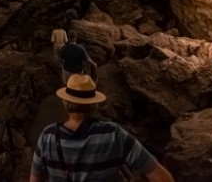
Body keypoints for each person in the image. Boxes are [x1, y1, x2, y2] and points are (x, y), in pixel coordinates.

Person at [29, 74, 175, 182]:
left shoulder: (48, 136)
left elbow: (35, 180)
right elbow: (162, 178)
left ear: (65, 102)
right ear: (94, 104)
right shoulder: (113, 134)